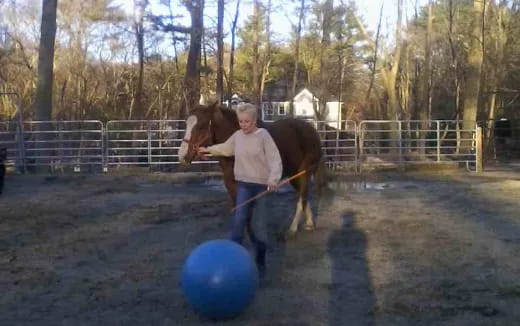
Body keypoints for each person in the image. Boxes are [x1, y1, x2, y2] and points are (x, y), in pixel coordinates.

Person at [198, 103, 282, 272]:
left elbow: (275, 159)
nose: (243, 125)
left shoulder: (263, 136)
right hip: (243, 185)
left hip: (260, 188)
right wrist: (207, 150)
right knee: (238, 221)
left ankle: (260, 261)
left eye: (246, 122)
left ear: (254, 120)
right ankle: (232, 259)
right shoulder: (237, 136)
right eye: (241, 122)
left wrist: (273, 180)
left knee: (259, 227)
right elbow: (226, 149)